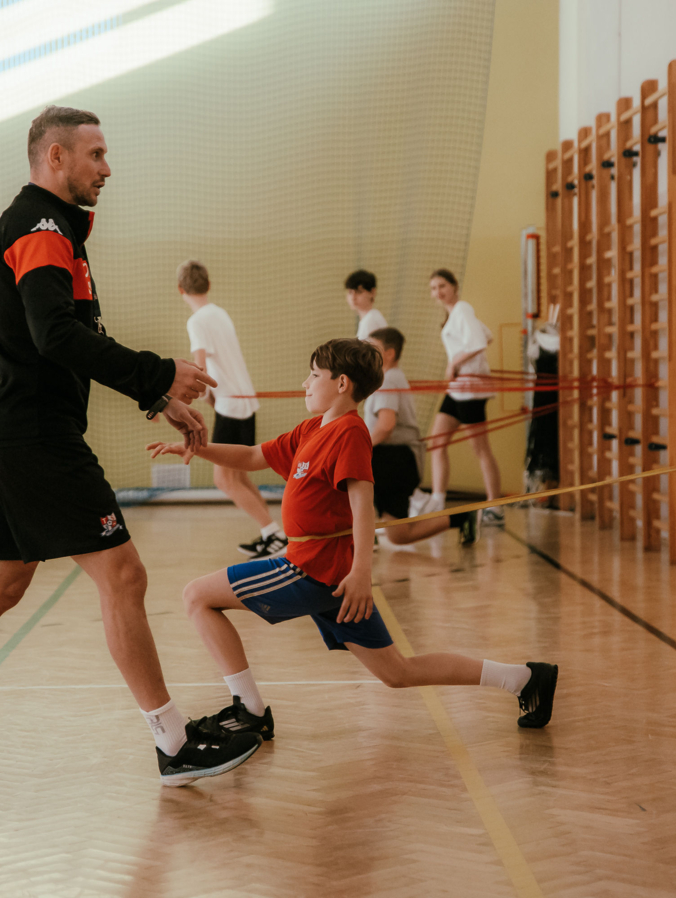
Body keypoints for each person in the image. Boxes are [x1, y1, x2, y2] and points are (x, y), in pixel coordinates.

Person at [0, 106, 262, 790]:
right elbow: (55, 336)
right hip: (37, 437)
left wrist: (152, 396)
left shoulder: (55, 229)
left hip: (16, 432)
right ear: (56, 157)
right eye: (95, 154)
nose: (107, 168)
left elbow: (77, 335)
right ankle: (172, 743)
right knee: (124, 576)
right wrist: (158, 373)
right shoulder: (41, 229)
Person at [146, 339, 557, 740]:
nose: (306, 383)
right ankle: (524, 679)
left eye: (314, 375)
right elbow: (254, 456)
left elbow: (363, 506)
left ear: (341, 383)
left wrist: (362, 572)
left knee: (197, 596)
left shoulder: (350, 432)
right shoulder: (312, 428)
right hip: (334, 578)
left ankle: (249, 712)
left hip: (311, 570)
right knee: (397, 672)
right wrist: (196, 448)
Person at [177, 259, 286, 559]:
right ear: (208, 285)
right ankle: (273, 534)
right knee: (239, 475)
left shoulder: (196, 321)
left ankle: (274, 534)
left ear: (180, 289)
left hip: (230, 405)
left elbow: (199, 368)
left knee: (224, 479)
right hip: (245, 402)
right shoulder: (220, 313)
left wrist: (195, 398)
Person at [365, 327, 478, 546]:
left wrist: (358, 446)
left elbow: (386, 426)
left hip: (394, 460)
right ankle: (462, 518)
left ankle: (355, 538)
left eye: (373, 349)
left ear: (389, 353)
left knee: (344, 475)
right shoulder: (392, 377)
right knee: (399, 535)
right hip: (400, 461)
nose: (367, 354)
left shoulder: (387, 380)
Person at [424, 269, 502, 523]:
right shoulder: (455, 314)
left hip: (470, 390)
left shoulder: (463, 309)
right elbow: (487, 335)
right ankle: (437, 500)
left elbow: (479, 342)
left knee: (480, 449)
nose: (438, 292)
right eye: (434, 288)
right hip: (457, 389)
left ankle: (495, 507)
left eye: (442, 286)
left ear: (454, 286)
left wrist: (454, 363)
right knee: (437, 443)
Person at [345, 269, 387, 340]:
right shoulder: (370, 318)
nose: (353, 297)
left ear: (372, 292)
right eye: (350, 292)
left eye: (359, 292)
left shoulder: (371, 320)